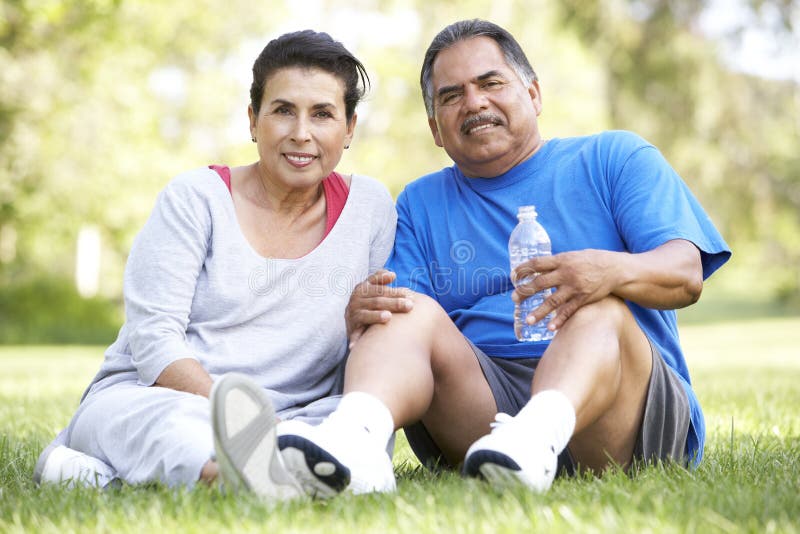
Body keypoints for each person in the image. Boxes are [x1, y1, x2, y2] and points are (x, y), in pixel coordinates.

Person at [266, 18, 731, 496]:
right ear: (435, 129)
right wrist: (367, 311)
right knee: (401, 307)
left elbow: (686, 273)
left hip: (620, 411)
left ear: (533, 94)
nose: (474, 103)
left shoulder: (615, 158)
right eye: (451, 96)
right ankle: (352, 445)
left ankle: (537, 434)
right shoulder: (420, 202)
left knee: (600, 309)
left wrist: (607, 270)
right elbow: (400, 327)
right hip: (487, 415)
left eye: (491, 83)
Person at [33, 30, 397, 498]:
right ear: (253, 120)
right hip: (166, 399)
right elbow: (153, 340)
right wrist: (239, 422)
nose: (301, 133)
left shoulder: (369, 207)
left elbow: (373, 337)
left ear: (348, 129)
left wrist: (355, 326)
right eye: (283, 110)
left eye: (322, 114)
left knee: (358, 433)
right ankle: (245, 477)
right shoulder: (195, 199)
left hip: (302, 415)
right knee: (172, 428)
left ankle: (98, 477)